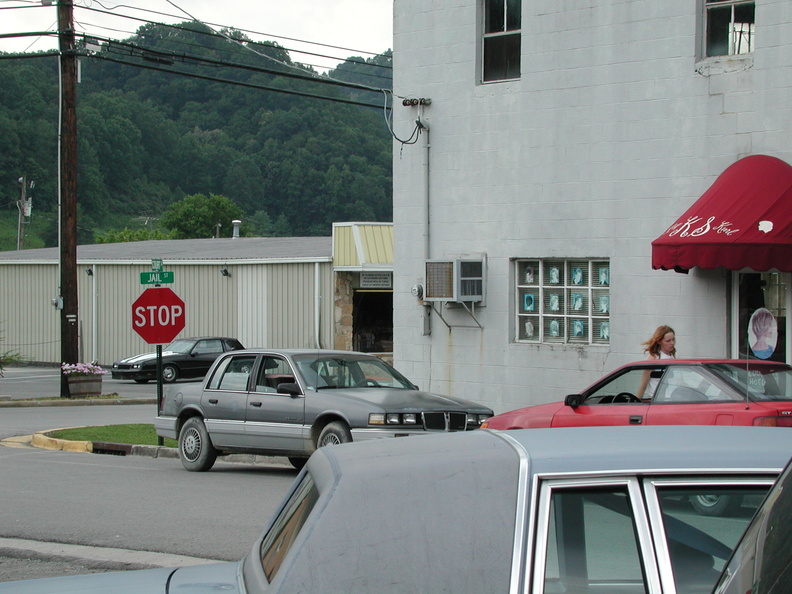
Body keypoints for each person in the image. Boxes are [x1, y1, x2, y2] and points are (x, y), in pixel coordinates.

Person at [636, 325, 676, 400]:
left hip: (673, 398)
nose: (672, 343)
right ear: (659, 341)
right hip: (657, 399)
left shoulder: (674, 356)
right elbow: (643, 385)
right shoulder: (654, 358)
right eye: (668, 341)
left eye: (673, 339)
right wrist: (635, 403)